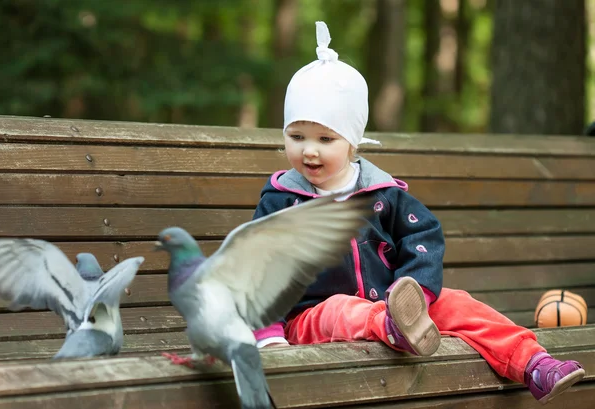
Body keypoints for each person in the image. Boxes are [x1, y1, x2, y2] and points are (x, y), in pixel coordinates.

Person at [251, 21, 585, 405]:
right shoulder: (282, 201)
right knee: (341, 309)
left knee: (458, 304)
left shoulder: (384, 194)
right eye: (297, 137)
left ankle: (534, 363)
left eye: (325, 139)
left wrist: (415, 292)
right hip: (310, 318)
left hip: (391, 302)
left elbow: (422, 237)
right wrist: (269, 334)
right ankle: (394, 325)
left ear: (352, 141)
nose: (309, 150)